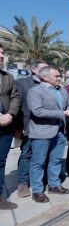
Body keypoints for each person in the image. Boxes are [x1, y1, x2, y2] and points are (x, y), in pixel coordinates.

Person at [27, 66, 69, 203]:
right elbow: (38, 111)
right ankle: (37, 190)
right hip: (41, 132)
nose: (60, 78)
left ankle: (54, 185)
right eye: (56, 76)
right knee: (38, 162)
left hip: (60, 131)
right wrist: (62, 113)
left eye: (59, 76)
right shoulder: (35, 91)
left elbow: (65, 106)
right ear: (45, 77)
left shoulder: (61, 90)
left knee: (56, 160)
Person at [14, 60, 49, 198]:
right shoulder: (21, 83)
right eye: (44, 68)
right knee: (26, 154)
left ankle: (41, 179)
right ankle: (22, 183)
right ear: (34, 69)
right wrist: (17, 128)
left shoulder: (49, 84)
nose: (47, 70)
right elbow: (17, 106)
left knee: (43, 154)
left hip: (46, 127)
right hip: (28, 126)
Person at [0, 43, 21, 210]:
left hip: (5, 126)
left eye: (2, 53)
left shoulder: (8, 77)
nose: (2, 56)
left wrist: (10, 114)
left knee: (1, 162)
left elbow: (15, 97)